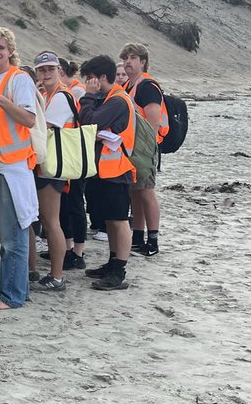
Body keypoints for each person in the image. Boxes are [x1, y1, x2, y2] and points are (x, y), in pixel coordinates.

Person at [0, 27, 39, 311]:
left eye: (1, 48)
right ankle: (13, 285)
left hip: (13, 167)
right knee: (7, 234)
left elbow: (28, 118)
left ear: (11, 51)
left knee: (13, 235)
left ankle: (13, 295)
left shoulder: (19, 79)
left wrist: (0, 100)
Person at [78, 55, 136, 290]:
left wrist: (88, 97)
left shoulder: (118, 101)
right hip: (105, 170)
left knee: (120, 220)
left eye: (91, 79)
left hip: (118, 170)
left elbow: (90, 122)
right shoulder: (110, 98)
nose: (88, 83)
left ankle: (119, 269)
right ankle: (112, 262)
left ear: (102, 77)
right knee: (110, 220)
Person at [31, 51, 75, 292]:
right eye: (41, 70)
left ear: (59, 70)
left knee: (51, 221)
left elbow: (41, 127)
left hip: (52, 167)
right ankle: (53, 273)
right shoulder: (51, 95)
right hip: (48, 165)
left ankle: (57, 276)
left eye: (50, 69)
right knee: (47, 220)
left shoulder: (59, 97)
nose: (46, 73)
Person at [120, 42, 168, 257]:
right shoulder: (130, 85)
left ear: (143, 62)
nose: (127, 62)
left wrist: (146, 151)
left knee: (147, 192)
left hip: (145, 148)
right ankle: (138, 237)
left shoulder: (147, 86)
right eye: (125, 58)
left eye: (132, 58)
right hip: (133, 147)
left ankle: (153, 239)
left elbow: (153, 121)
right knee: (135, 192)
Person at [57, 59, 88, 272]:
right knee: (64, 205)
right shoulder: (65, 91)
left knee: (75, 204)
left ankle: (78, 251)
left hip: (74, 155)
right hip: (63, 156)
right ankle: (67, 248)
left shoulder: (76, 92)